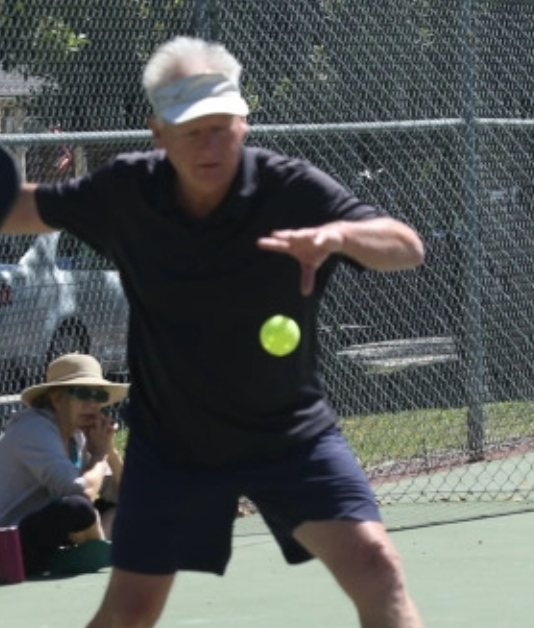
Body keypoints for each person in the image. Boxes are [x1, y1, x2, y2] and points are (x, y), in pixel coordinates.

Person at [4, 36, 426, 628]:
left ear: (244, 122)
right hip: (175, 443)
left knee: (377, 564)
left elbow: (406, 247)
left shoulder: (290, 188)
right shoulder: (127, 191)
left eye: (221, 125)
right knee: (130, 609)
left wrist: (338, 237)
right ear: (158, 134)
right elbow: (22, 208)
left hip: (288, 432)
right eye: (190, 129)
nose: (209, 143)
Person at [0, 353, 128, 578]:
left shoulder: (78, 435)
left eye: (98, 395)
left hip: (51, 536)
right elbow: (81, 492)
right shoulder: (32, 429)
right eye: (82, 393)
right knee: (75, 509)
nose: (92, 404)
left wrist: (109, 450)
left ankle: (86, 552)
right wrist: (98, 455)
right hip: (9, 546)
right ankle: (96, 551)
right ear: (56, 398)